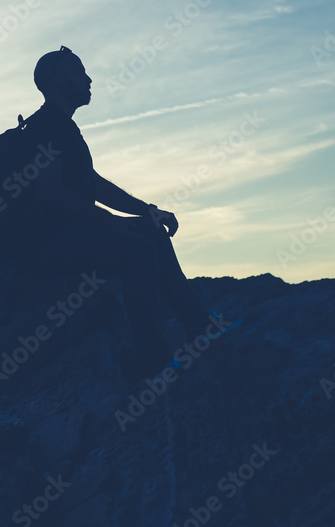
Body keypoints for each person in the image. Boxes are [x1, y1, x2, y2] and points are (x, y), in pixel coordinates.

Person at [15, 46, 230, 380]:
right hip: (42, 243)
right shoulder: (45, 128)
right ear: (59, 80)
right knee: (138, 250)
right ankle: (154, 362)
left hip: (66, 234)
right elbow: (50, 193)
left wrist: (147, 211)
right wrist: (112, 222)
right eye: (79, 72)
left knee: (150, 231)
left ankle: (199, 325)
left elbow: (94, 184)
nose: (88, 79)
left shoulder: (63, 128)